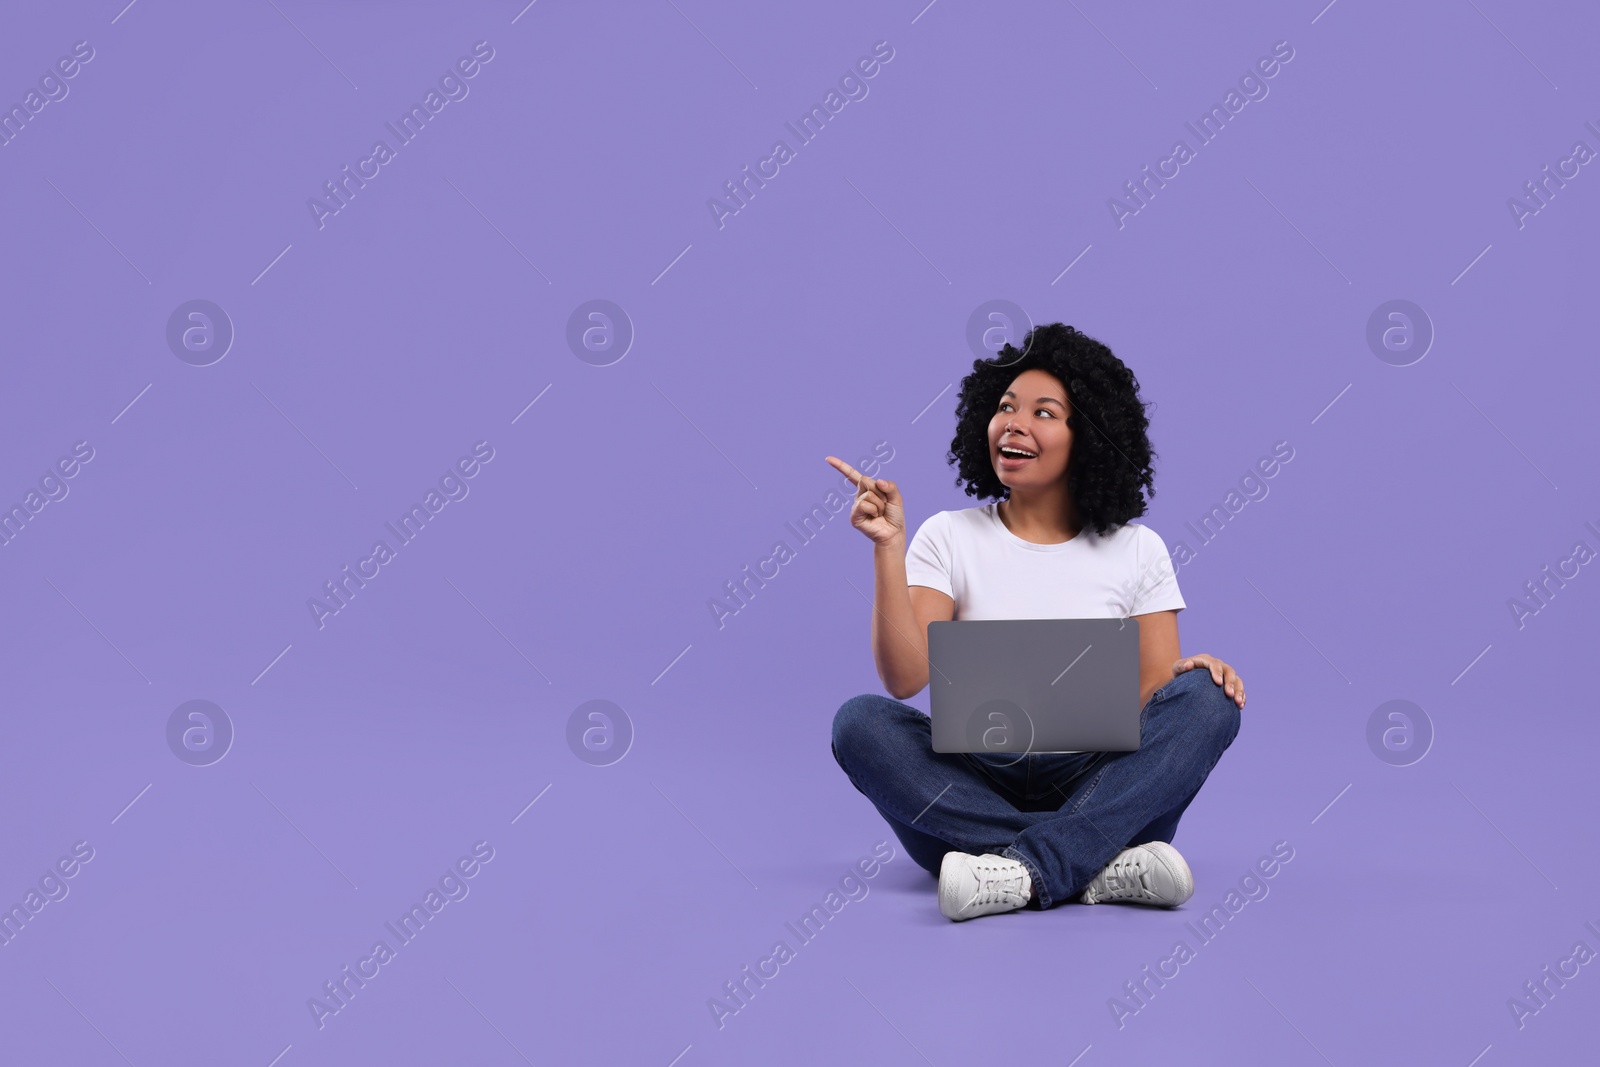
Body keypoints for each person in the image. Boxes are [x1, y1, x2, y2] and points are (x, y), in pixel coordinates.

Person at [827, 323, 1246, 922]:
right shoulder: (949, 535)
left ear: (1089, 437)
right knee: (860, 722)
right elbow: (903, 680)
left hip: (1098, 778)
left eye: (1044, 412)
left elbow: (1152, 691)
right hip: (976, 782)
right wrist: (887, 548)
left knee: (1209, 699)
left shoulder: (1137, 548)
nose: (1014, 423)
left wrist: (1189, 680)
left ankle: (1014, 869)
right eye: (1005, 407)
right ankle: (1098, 863)